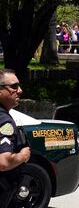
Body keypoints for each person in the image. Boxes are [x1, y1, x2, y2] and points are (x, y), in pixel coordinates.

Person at [0, 69, 31, 207]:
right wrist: (23, 156)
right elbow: (4, 162)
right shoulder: (4, 121)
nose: (20, 90)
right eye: (14, 86)